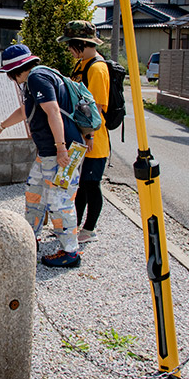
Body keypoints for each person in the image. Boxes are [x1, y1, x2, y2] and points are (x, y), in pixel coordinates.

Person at [0, 43, 86, 268]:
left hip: (62, 152)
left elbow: (52, 112)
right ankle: (31, 237)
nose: (11, 79)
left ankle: (70, 252)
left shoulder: (36, 79)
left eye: (10, 75)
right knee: (35, 194)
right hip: (48, 153)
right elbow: (26, 111)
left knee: (59, 201)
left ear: (16, 70)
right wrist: (0, 127)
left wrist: (61, 148)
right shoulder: (40, 77)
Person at [58, 20, 110, 244]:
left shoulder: (97, 68)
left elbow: (95, 108)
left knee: (91, 184)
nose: (69, 49)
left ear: (80, 43)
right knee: (77, 184)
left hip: (94, 139)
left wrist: (89, 136)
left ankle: (89, 229)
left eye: (71, 44)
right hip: (81, 136)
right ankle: (74, 225)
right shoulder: (81, 64)